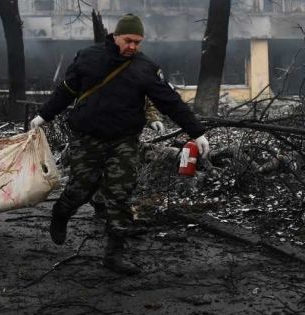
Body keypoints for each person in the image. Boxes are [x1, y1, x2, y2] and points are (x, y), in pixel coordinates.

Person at [29, 14, 210, 275]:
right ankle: (61, 212)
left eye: (138, 42)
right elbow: (66, 91)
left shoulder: (145, 68)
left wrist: (196, 132)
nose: (133, 47)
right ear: (115, 36)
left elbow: (169, 101)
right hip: (87, 138)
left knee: (119, 193)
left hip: (123, 141)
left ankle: (114, 253)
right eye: (129, 40)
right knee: (82, 188)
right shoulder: (88, 57)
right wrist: (43, 116)